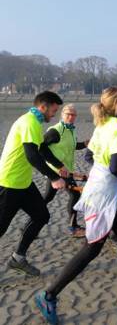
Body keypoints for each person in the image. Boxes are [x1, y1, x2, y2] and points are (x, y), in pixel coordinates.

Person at [35, 87, 117, 325]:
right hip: (106, 194)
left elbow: (91, 156)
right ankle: (48, 295)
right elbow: (115, 168)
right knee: (92, 248)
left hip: (103, 190)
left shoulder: (103, 125)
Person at [0, 91, 65, 276]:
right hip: (9, 182)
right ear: (43, 106)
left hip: (24, 183)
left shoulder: (35, 122)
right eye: (53, 110)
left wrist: (59, 167)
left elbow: (42, 149)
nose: (54, 115)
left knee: (41, 215)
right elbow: (32, 156)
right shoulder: (29, 122)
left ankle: (18, 258)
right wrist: (54, 178)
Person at [40, 104, 89, 238]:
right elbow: (41, 148)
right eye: (68, 114)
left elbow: (71, 146)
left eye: (74, 115)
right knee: (75, 195)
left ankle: (31, 221)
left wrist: (84, 144)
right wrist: (57, 166)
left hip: (66, 171)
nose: (71, 117)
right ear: (62, 114)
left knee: (47, 198)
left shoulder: (71, 130)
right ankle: (73, 228)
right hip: (57, 171)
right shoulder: (56, 131)